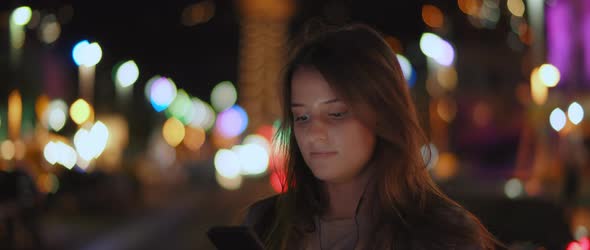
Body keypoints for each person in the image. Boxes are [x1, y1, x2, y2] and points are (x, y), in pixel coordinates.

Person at [242, 21, 502, 250]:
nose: (314, 133)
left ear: (382, 115)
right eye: (302, 117)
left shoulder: (443, 235)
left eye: (336, 113)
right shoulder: (267, 225)